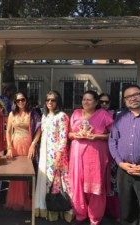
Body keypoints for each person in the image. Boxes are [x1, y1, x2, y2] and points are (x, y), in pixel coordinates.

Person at [109, 84, 140, 225]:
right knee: (126, 212)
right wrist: (120, 162)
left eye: (136, 94)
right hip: (124, 172)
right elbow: (112, 141)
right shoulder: (120, 117)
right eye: (128, 97)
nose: (132, 98)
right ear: (124, 101)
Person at [69, 90, 113, 225]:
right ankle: (80, 215)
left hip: (96, 154)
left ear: (96, 102)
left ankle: (95, 218)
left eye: (89, 100)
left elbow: (113, 135)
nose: (85, 102)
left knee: (95, 185)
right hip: (77, 154)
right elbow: (69, 134)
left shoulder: (103, 115)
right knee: (78, 184)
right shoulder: (76, 113)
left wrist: (98, 136)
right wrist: (75, 135)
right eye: (83, 99)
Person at [35, 90, 70, 221]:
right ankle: (45, 207)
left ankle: (59, 210)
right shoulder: (44, 116)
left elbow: (63, 137)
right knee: (46, 180)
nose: (50, 102)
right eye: (48, 100)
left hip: (56, 154)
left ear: (58, 102)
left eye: (53, 100)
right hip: (45, 152)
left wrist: (58, 156)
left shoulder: (62, 116)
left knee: (56, 181)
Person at [5, 91, 41, 211]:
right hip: (16, 146)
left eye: (22, 100)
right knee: (16, 173)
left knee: (29, 172)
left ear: (26, 100)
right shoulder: (12, 114)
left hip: (28, 145)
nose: (20, 102)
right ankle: (16, 200)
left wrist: (33, 144)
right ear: (15, 102)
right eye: (18, 100)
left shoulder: (33, 114)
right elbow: (8, 131)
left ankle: (28, 200)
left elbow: (39, 130)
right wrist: (9, 147)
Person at [99, 93, 120, 219]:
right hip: (97, 154)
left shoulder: (115, 116)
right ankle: (101, 210)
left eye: (106, 102)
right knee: (99, 182)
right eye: (101, 102)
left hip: (112, 153)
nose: (103, 104)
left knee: (112, 183)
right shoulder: (93, 116)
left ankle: (113, 212)